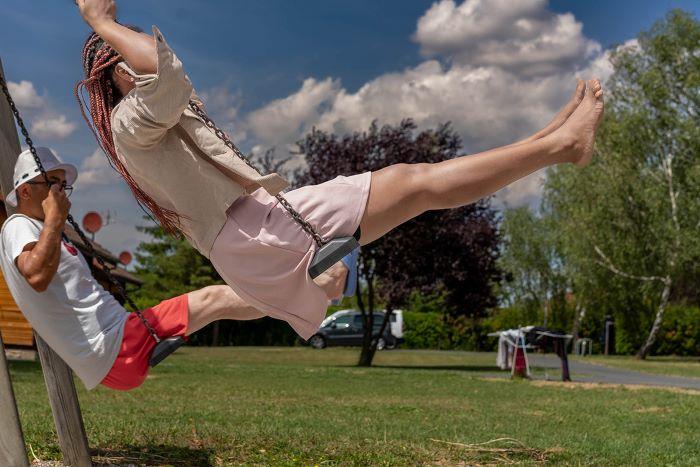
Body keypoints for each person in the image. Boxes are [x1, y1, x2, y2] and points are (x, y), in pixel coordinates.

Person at [74, 0, 604, 343]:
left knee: (416, 181)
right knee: (415, 183)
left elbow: (164, 75)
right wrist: (103, 22)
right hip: (251, 232)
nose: (131, 57)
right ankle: (559, 146)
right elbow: (166, 69)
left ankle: (550, 138)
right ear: (109, 76)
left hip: (254, 227)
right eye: (119, 57)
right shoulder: (130, 123)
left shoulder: (150, 119)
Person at [0, 148, 277, 391]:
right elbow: (35, 276)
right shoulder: (18, 225)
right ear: (25, 191)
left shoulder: (47, 230)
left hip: (117, 341)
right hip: (112, 346)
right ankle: (291, 293)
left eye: (63, 186)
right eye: (52, 184)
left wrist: (55, 223)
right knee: (214, 298)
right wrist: (55, 219)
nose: (60, 193)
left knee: (218, 304)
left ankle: (293, 296)